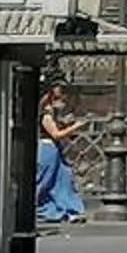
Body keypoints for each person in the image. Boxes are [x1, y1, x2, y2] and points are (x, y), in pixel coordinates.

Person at [36, 82, 87, 224]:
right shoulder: (46, 115)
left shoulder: (54, 115)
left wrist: (67, 124)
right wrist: (75, 127)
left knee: (63, 177)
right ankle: (40, 208)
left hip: (55, 149)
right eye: (59, 99)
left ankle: (70, 209)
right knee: (45, 180)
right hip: (47, 149)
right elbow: (56, 134)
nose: (63, 103)